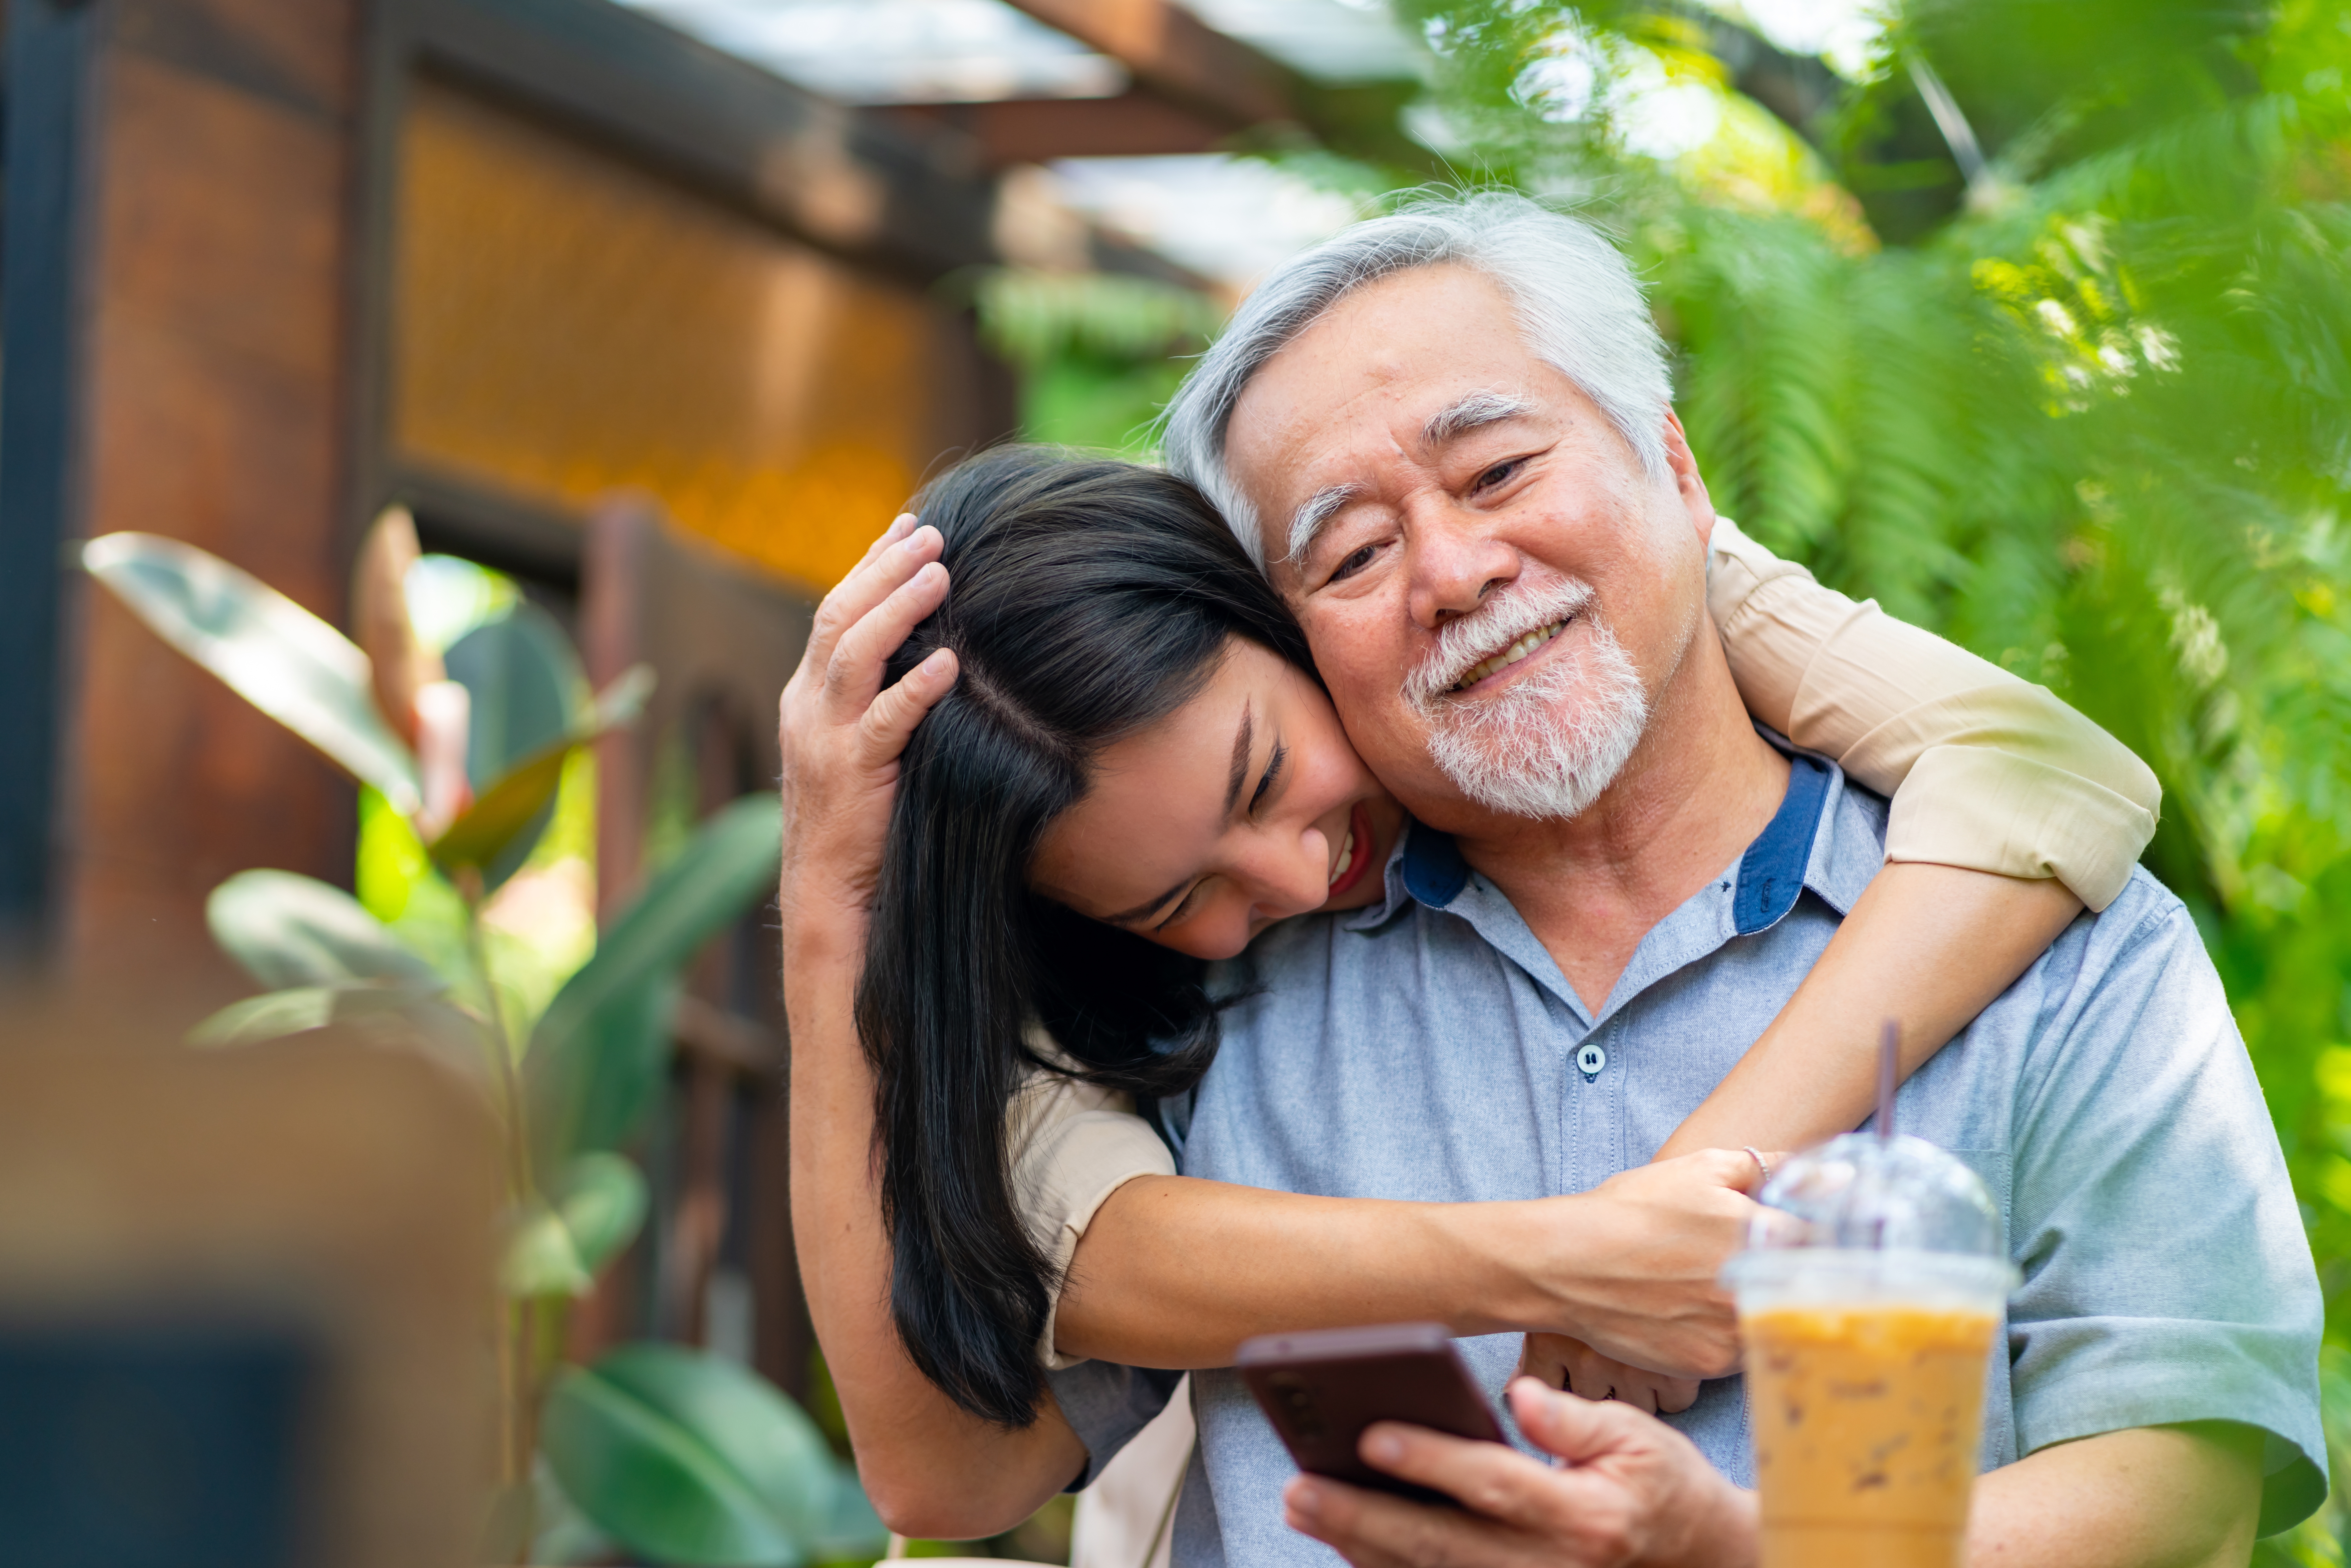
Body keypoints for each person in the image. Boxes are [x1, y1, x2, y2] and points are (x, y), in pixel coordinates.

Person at [779, 447, 2181, 1550]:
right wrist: (831, 928)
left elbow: (2054, 776)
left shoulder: (1592, 613)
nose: (1297, 872)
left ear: (1270, 600)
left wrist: (1670, 1205)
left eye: (1266, 777)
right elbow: (950, 1462)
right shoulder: (1144, 1000)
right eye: (1169, 899)